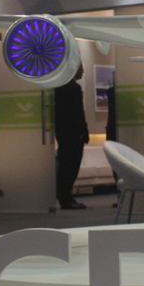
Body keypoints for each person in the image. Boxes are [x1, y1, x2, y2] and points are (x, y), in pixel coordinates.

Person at [54, 62, 89, 210]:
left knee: (64, 166)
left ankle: (65, 197)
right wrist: (83, 132)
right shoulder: (73, 88)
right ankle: (66, 199)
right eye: (81, 69)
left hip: (62, 133)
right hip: (73, 134)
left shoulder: (58, 88)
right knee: (71, 167)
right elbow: (78, 113)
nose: (83, 72)